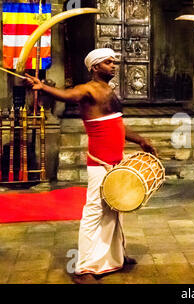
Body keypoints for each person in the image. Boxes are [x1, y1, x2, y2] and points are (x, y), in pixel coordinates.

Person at [25, 48, 157, 283]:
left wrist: (141, 140)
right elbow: (68, 95)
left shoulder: (109, 90)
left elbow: (117, 124)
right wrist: (43, 87)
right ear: (95, 67)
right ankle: (84, 268)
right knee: (94, 211)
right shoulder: (87, 89)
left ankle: (116, 255)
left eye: (114, 62)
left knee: (117, 208)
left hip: (116, 159)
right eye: (108, 62)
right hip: (100, 163)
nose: (113, 65)